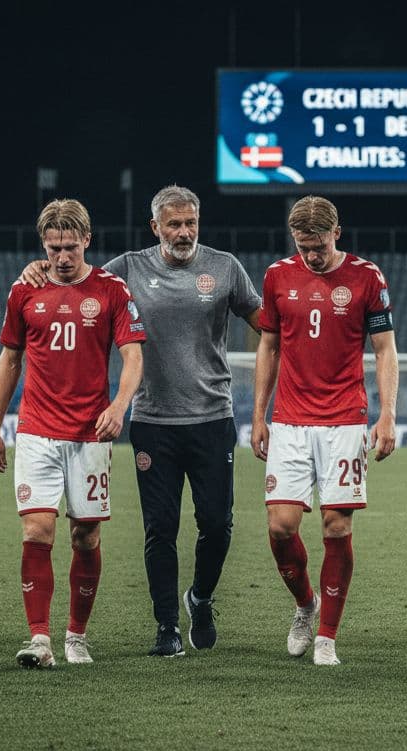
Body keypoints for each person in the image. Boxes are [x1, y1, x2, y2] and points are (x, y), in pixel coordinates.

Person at [20, 185, 261, 657]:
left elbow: (267, 323)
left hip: (213, 416)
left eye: (190, 222)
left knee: (217, 524)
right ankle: (167, 627)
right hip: (153, 421)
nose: (184, 232)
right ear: (156, 227)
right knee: (160, 529)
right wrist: (40, 268)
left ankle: (202, 597)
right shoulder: (128, 268)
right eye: (174, 224)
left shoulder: (225, 266)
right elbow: (78, 281)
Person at [0, 199, 145, 668]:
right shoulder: (24, 291)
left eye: (70, 247)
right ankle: (40, 639)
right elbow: (10, 360)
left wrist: (120, 406)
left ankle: (77, 634)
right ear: (44, 245)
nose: (62, 257)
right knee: (37, 530)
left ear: (87, 242)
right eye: (53, 248)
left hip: (91, 433)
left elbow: (134, 356)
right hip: (36, 430)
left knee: (85, 536)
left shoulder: (112, 290)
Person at [250, 195, 399, 666]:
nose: (312, 255)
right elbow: (268, 348)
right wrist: (259, 414)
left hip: (344, 420)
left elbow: (385, 350)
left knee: (336, 525)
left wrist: (387, 414)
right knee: (280, 527)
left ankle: (327, 637)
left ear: (337, 232)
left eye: (319, 246)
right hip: (291, 421)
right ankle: (305, 606)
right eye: (303, 246)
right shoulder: (277, 276)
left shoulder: (366, 277)